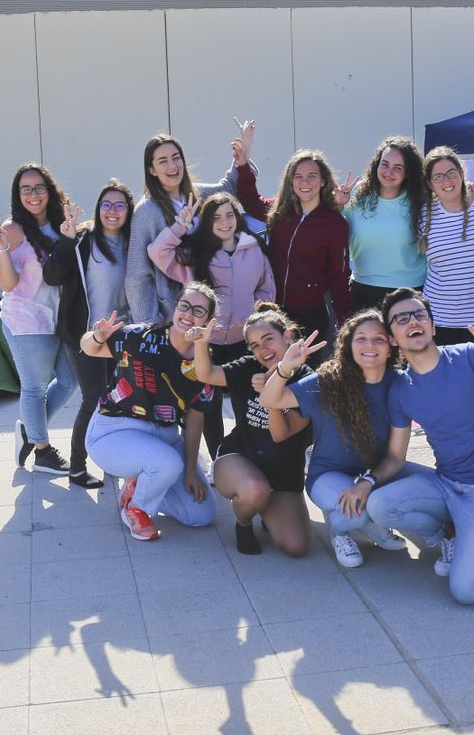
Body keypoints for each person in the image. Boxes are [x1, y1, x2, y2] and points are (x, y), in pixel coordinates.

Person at [349, 290, 474, 605]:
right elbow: (397, 457)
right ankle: (449, 537)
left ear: (432, 326)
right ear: (394, 339)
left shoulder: (468, 355)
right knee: (380, 505)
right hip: (445, 483)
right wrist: (366, 481)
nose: (413, 321)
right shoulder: (400, 388)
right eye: (401, 318)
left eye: (419, 315)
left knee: (466, 592)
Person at [262, 310, 474, 569]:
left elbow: (447, 407)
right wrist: (286, 368)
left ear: (391, 346)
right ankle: (344, 532)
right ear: (348, 345)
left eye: (378, 339)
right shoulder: (328, 380)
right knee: (357, 514)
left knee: (448, 494)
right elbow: (270, 399)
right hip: (329, 474)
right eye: (360, 339)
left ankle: (443, 531)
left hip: (383, 470)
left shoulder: (401, 383)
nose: (369, 345)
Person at [80, 283, 220, 541]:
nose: (188, 315)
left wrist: (190, 469)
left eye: (198, 311)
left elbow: (195, 416)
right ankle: (136, 509)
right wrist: (97, 336)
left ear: (209, 321)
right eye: (184, 306)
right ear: (174, 308)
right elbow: (89, 348)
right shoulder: (139, 336)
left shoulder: (204, 364)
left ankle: (140, 486)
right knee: (166, 464)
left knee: (202, 515)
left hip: (164, 438)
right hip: (114, 431)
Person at [148, 192, 275, 455]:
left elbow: (267, 288)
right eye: (216, 217)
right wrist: (181, 226)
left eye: (230, 215)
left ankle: (246, 456)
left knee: (247, 404)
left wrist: (253, 316)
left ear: (238, 218)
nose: (225, 222)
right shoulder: (195, 254)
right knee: (209, 407)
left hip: (244, 342)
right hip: (207, 343)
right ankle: (219, 458)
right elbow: (157, 252)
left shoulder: (254, 248)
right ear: (207, 222)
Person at [188, 304, 312, 557]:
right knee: (255, 490)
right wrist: (201, 344)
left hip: (283, 473)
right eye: (255, 345)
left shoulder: (309, 380)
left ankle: (267, 508)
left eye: (268, 340)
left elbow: (280, 434)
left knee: (296, 547)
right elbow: (206, 373)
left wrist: (272, 388)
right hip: (239, 458)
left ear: (287, 336)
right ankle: (243, 523)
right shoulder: (248, 367)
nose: (262, 350)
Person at [0, 164, 79, 474]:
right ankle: (42, 450)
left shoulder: (59, 224)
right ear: (18, 195)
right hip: (26, 320)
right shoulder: (14, 230)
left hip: (58, 319)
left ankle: (29, 430)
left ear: (49, 190)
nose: (33, 194)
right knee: (34, 388)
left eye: (38, 187)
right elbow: (8, 283)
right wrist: (1, 248)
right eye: (25, 189)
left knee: (70, 381)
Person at [42, 179, 133, 488]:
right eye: (106, 204)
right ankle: (77, 468)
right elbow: (53, 275)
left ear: (128, 211)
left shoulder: (133, 242)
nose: (112, 211)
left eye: (120, 205)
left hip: (119, 335)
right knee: (93, 398)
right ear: (98, 208)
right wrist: (65, 240)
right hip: (86, 334)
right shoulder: (82, 239)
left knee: (116, 399)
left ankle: (111, 458)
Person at [233, 147, 352, 354]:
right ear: (291, 181)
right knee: (272, 374)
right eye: (298, 177)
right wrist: (243, 165)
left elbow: (339, 277)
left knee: (301, 379)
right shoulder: (281, 212)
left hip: (310, 315)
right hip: (273, 312)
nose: (304, 182)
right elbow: (250, 201)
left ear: (323, 181)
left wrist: (347, 327)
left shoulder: (335, 224)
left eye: (312, 176)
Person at [125, 131, 246, 324]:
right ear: (151, 169)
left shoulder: (199, 194)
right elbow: (137, 276)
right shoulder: (146, 211)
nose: (172, 166)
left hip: (211, 307)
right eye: (163, 161)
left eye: (176, 158)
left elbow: (229, 187)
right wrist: (148, 324)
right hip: (173, 314)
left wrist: (241, 156)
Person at [420, 148, 474, 346]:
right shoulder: (423, 213)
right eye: (438, 177)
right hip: (438, 319)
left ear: (461, 174)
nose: (446, 181)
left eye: (452, 173)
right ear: (429, 183)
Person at [335, 136, 429, 311]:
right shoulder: (355, 193)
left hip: (410, 292)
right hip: (363, 289)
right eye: (384, 164)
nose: (388, 172)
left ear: (408, 171)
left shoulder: (420, 198)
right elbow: (334, 231)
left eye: (398, 168)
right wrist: (337, 205)